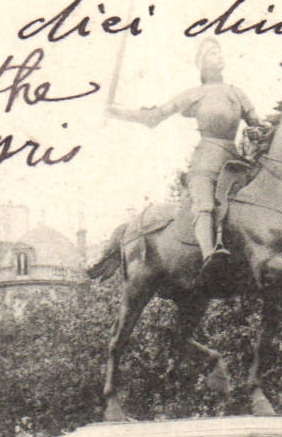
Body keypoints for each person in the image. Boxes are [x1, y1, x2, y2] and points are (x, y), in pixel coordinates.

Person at [108, 39, 262, 277]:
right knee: (205, 205)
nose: (219, 56)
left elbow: (257, 125)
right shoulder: (194, 94)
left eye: (219, 52)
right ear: (202, 63)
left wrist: (256, 133)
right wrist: (118, 113)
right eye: (212, 53)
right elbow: (154, 116)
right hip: (205, 163)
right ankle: (209, 256)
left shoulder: (236, 93)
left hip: (234, 163)